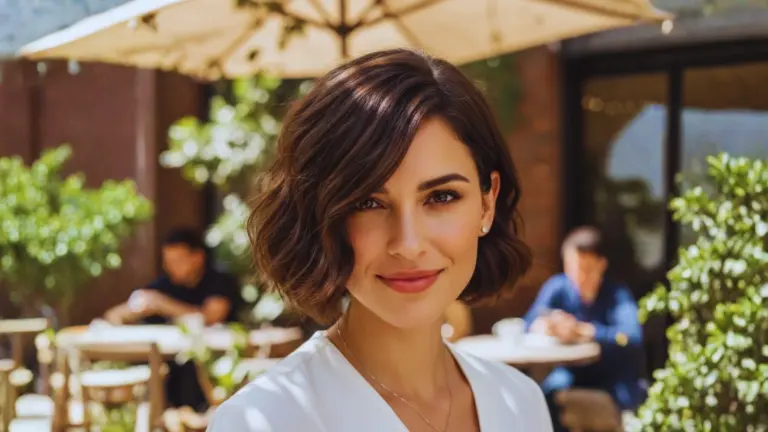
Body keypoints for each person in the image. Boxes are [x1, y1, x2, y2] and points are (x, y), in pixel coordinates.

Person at [207, 49, 552, 432]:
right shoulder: (266, 421)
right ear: (322, 215)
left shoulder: (521, 403)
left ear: (487, 205)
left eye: (441, 197)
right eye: (368, 202)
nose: (407, 243)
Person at [104, 227, 242, 411]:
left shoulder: (218, 281)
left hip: (211, 367)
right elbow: (114, 315)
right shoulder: (163, 285)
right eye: (167, 262)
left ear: (198, 257)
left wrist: (163, 304)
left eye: (178, 260)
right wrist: (132, 310)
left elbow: (211, 316)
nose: (171, 267)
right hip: (166, 367)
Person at [523, 226, 646, 431]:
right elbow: (527, 323)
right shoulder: (558, 287)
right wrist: (546, 325)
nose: (578, 276)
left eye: (586, 269)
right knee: (540, 399)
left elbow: (631, 337)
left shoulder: (617, 295)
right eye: (572, 268)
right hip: (569, 375)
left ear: (601, 264)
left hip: (611, 378)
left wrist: (583, 331)